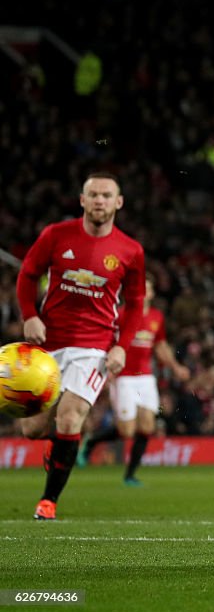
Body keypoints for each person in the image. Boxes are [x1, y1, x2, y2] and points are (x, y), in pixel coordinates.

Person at [15, 172, 146, 520]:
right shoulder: (56, 236)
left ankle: (48, 501)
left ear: (118, 202)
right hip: (47, 343)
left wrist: (121, 346)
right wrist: (29, 315)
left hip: (95, 348)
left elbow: (135, 304)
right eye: (94, 195)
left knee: (70, 417)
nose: (100, 200)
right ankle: (60, 446)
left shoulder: (130, 251)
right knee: (32, 430)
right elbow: (27, 275)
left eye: (106, 195)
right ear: (82, 200)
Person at [78, 275, 190, 485]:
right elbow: (107, 341)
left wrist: (176, 367)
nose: (144, 292)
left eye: (147, 288)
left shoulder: (157, 317)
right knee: (127, 430)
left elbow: (160, 346)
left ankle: (130, 475)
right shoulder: (121, 315)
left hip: (146, 377)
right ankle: (91, 441)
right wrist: (107, 370)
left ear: (152, 293)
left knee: (147, 427)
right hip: (123, 377)